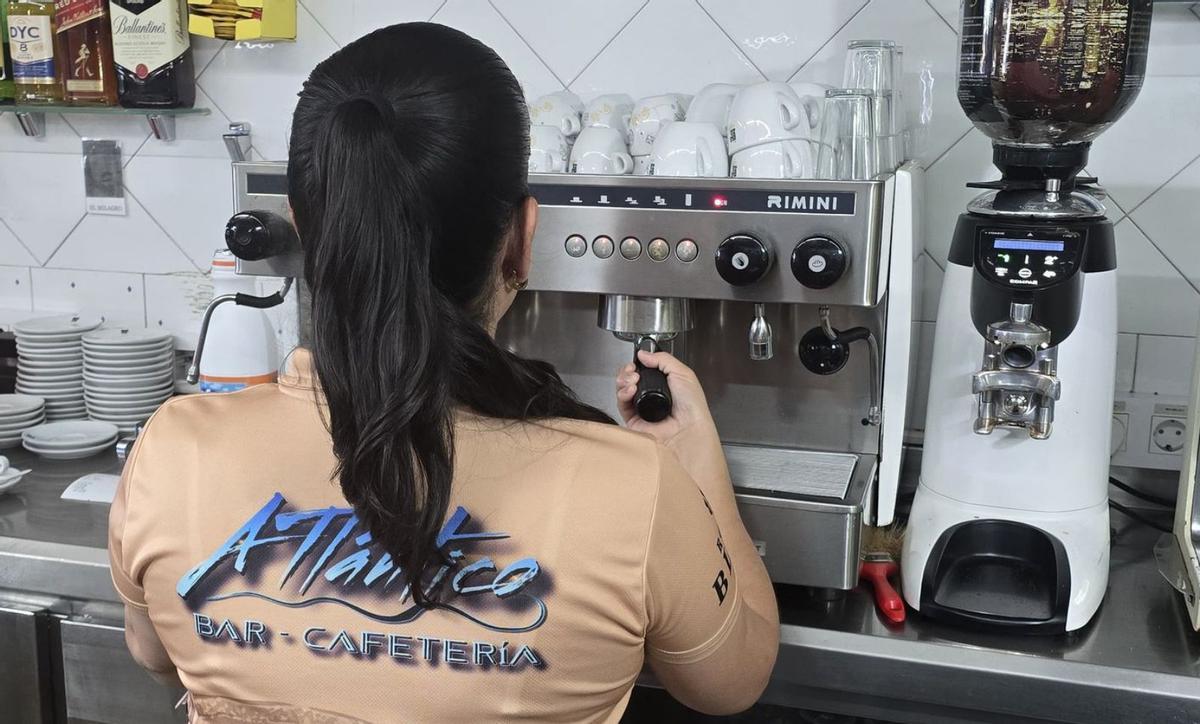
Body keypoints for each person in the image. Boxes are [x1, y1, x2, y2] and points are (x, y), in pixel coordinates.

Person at [109, 22, 778, 723]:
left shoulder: (173, 449)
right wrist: (696, 462)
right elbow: (731, 682)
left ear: (306, 229)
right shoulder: (635, 488)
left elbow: (156, 653)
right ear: (522, 239)